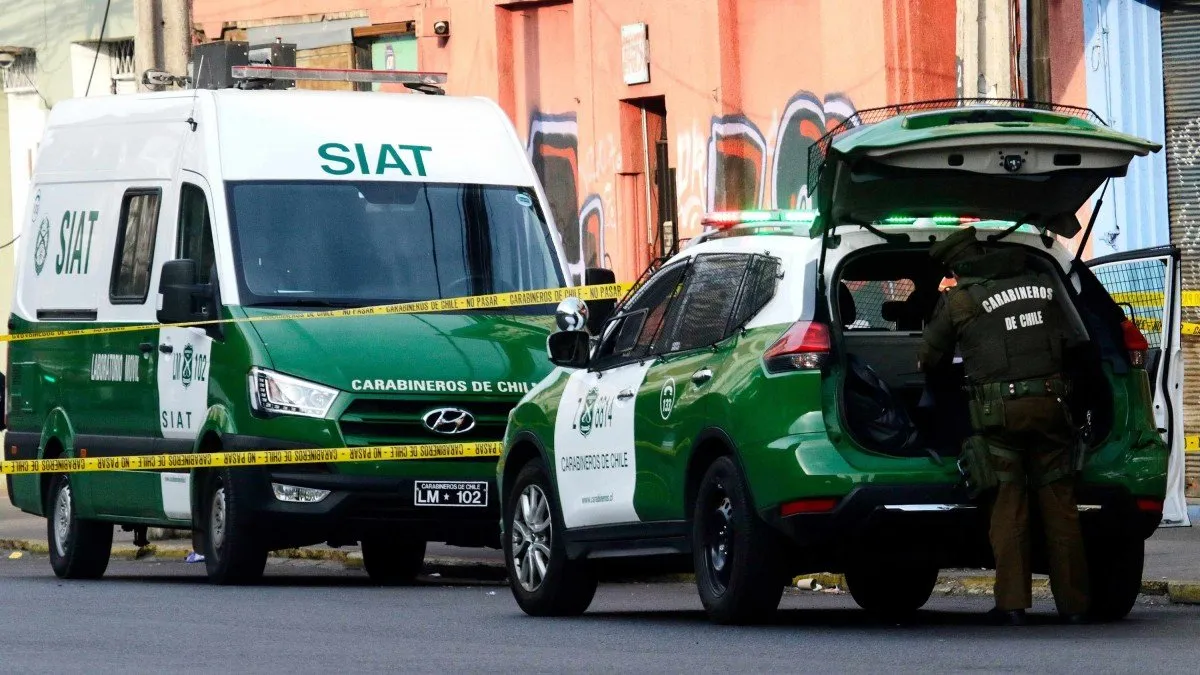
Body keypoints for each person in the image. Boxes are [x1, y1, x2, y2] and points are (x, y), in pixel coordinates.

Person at [917, 225, 1090, 626]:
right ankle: (1076, 606)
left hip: (1000, 418)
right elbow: (1077, 342)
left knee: (1008, 508)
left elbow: (929, 359)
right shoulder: (1042, 283)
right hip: (1052, 410)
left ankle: (1012, 604)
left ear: (957, 266)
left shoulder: (960, 300)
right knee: (1061, 509)